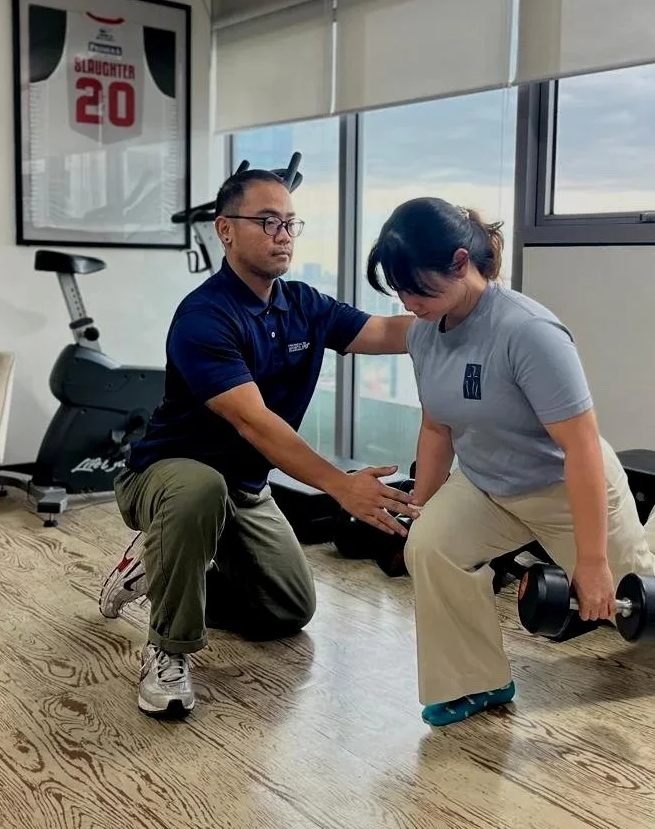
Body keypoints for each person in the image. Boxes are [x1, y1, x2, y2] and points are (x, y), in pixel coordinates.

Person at [364, 196, 655, 727]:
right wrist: (420, 507)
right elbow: (437, 426)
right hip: (487, 485)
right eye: (398, 289)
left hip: (563, 485)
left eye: (415, 287)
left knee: (653, 614)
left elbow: (580, 447)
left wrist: (592, 562)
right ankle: (477, 683)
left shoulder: (527, 331)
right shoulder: (426, 331)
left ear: (459, 261)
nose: (408, 302)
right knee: (430, 547)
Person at [98, 165, 417, 717]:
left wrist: (464, 312)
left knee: (287, 609)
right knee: (199, 489)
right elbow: (255, 424)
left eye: (290, 223)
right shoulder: (204, 317)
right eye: (268, 221)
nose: (283, 235)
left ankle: (160, 564)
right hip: (169, 475)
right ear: (225, 229)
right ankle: (168, 649)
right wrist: (340, 486)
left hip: (245, 489)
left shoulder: (304, 305)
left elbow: (386, 331)